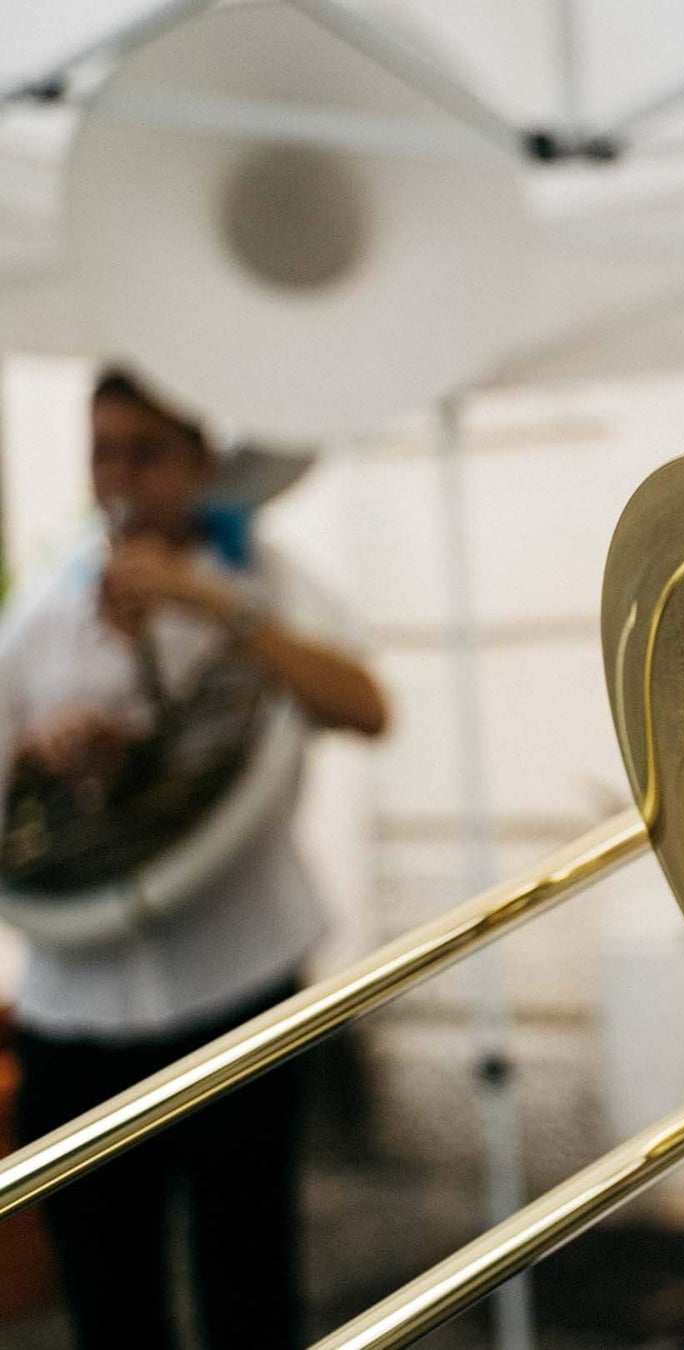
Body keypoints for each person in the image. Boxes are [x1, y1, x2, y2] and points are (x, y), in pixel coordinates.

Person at [1, 367, 388, 1350]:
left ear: (202, 463)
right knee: (109, 1299)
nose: (120, 477)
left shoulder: (267, 577)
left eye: (146, 453)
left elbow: (365, 709)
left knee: (248, 1285)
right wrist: (46, 753)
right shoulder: (44, 611)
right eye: (102, 452)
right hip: (75, 1011)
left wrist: (207, 604)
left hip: (237, 982)